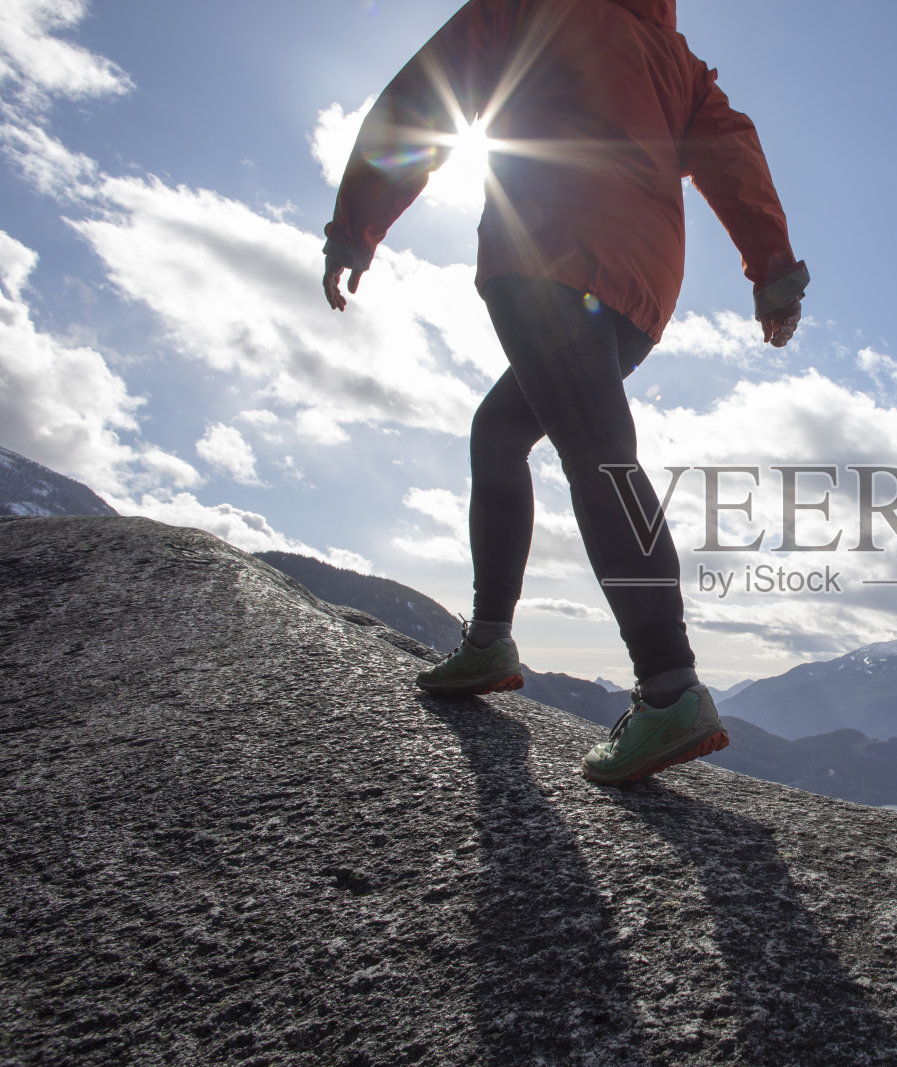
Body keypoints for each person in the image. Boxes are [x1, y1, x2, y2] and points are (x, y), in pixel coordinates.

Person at [321, 0, 809, 785]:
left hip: (545, 247)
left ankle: (669, 688)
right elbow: (734, 154)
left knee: (598, 455)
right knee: (503, 429)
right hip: (642, 290)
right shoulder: (674, 60)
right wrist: (774, 272)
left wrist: (355, 226)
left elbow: (424, 97)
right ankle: (490, 639)